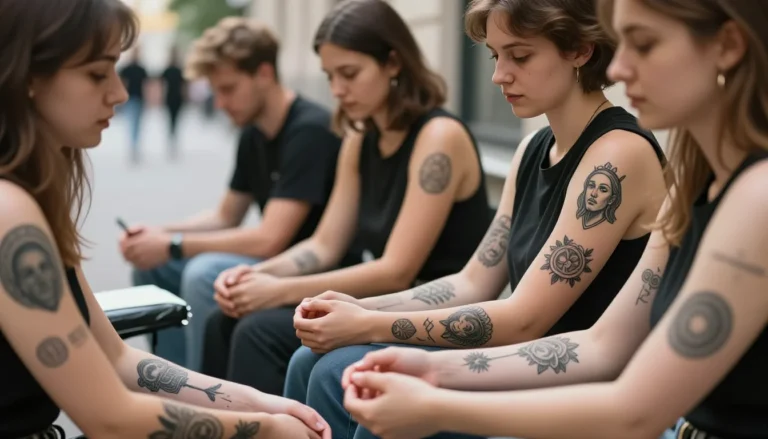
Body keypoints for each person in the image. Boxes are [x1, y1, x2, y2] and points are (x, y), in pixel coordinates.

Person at [340, 1, 768, 439]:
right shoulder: (690, 181)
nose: (618, 68)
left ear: (728, 46)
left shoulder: (750, 195)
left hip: (606, 409)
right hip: (602, 397)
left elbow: (634, 409)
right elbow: (603, 345)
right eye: (495, 55)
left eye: (644, 44)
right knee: (342, 374)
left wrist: (432, 400)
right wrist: (429, 367)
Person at [284, 0, 668, 437]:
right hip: (525, 368)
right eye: (495, 56)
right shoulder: (532, 149)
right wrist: (358, 308)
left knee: (350, 376)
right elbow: (472, 281)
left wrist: (368, 324)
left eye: (520, 56)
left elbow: (525, 319)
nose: (499, 75)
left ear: (580, 50)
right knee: (312, 361)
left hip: (576, 388)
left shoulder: (617, 156)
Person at [0, 1, 331, 438]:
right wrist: (265, 429)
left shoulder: (32, 201)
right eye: (98, 74)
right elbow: (109, 418)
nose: (120, 93)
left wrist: (257, 401)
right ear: (28, 77)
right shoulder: (11, 210)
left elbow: (116, 358)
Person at [202, 0, 493, 397]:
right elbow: (324, 245)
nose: (337, 90)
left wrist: (277, 290)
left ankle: (276, 423)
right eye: (330, 76)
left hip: (430, 314)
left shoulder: (439, 138)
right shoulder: (360, 137)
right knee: (223, 320)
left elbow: (396, 271)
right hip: (383, 303)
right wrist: (258, 276)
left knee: (258, 331)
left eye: (349, 74)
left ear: (393, 63)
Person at [120, 17, 348, 372]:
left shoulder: (309, 130)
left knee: (203, 272)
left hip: (309, 267)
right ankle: (172, 378)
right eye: (216, 91)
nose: (221, 103)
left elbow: (270, 239)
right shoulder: (253, 132)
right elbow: (225, 215)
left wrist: (173, 245)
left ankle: (201, 390)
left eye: (228, 89)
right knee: (154, 264)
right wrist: (159, 234)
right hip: (272, 258)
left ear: (264, 74)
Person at [118, 47, 148, 163]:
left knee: (137, 124)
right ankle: (133, 146)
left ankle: (135, 146)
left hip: (139, 98)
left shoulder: (141, 69)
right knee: (132, 123)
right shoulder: (126, 69)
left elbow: (145, 85)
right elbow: (122, 84)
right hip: (129, 99)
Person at [160, 45, 187, 158]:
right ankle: (171, 140)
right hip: (170, 97)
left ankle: (173, 139)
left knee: (175, 120)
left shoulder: (180, 70)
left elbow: (184, 85)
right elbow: (162, 85)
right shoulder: (167, 70)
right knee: (171, 120)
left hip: (176, 98)